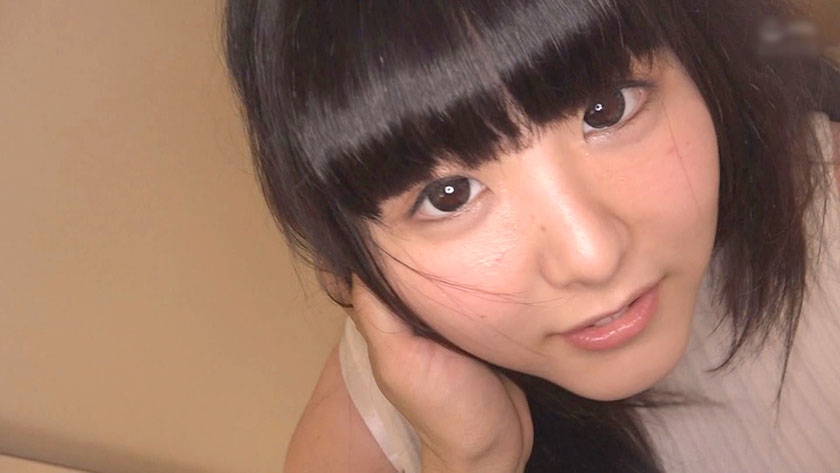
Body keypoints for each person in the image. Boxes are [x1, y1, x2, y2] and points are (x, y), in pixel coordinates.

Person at [224, 0, 840, 471]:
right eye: (449, 195)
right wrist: (474, 460)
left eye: (608, 109)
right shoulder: (370, 423)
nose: (592, 256)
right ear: (351, 255)